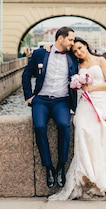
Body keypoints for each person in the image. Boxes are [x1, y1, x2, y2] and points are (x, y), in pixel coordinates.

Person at [49, 37, 106, 201]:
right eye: (75, 51)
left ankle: (99, 180)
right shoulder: (76, 65)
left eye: (80, 48)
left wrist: (92, 87)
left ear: (86, 46)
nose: (79, 52)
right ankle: (86, 175)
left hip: (102, 101)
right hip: (85, 103)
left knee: (99, 139)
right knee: (81, 128)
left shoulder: (100, 60)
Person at [22, 27, 78, 189]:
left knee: (64, 126)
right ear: (60, 38)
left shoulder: (72, 56)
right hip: (41, 100)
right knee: (39, 127)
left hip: (62, 101)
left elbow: (86, 53)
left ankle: (61, 166)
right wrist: (29, 96)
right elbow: (26, 74)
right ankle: (48, 168)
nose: (72, 43)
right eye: (70, 39)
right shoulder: (41, 53)